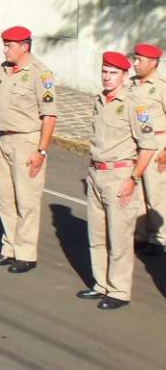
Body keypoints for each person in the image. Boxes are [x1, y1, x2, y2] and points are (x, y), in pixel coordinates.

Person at [77, 51, 157, 310]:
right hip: (96, 173)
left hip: (120, 175)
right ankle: (101, 284)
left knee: (119, 237)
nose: (107, 77)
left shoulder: (135, 105)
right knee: (97, 234)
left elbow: (148, 146)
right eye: (104, 71)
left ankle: (119, 291)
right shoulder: (100, 100)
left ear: (124, 75)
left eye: (113, 73)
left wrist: (133, 179)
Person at [0, 26, 57, 274]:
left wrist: (41, 151)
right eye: (4, 45)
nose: (4, 50)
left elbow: (49, 116)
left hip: (26, 142)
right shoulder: (4, 69)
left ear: (24, 46)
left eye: (9, 46)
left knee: (26, 200)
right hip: (2, 139)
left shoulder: (40, 74)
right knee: (5, 198)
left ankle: (26, 254)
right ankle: (9, 248)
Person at [127, 42, 166, 256]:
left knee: (155, 192)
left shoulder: (161, 86)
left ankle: (158, 238)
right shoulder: (131, 83)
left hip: (156, 143)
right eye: (135, 59)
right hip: (136, 143)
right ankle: (140, 234)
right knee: (137, 192)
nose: (135, 63)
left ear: (152, 63)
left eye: (139, 60)